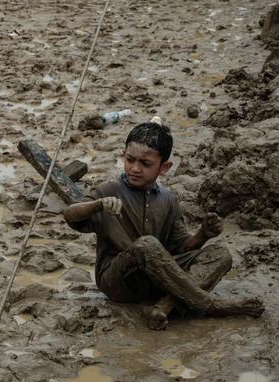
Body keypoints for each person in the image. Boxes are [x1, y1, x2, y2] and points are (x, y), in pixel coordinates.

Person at [63, 123, 264, 330]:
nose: (135, 168)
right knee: (147, 245)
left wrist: (203, 234)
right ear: (123, 155)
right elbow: (70, 215)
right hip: (119, 282)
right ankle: (210, 306)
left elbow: (181, 248)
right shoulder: (108, 191)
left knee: (220, 254)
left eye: (145, 163)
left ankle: (162, 307)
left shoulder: (169, 199)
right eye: (130, 160)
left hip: (159, 278)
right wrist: (96, 206)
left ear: (164, 167)